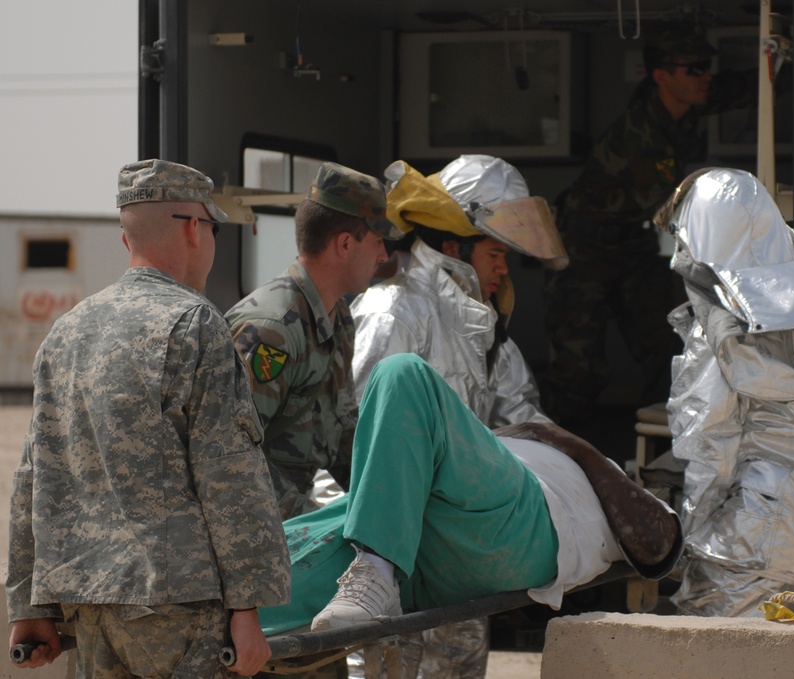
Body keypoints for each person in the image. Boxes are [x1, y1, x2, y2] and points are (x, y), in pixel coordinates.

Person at [5, 159, 291, 677]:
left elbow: (33, 477)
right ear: (191, 228)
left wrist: (28, 606)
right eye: (213, 226)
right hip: (178, 604)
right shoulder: (195, 323)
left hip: (89, 603)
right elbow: (229, 474)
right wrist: (249, 606)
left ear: (125, 240)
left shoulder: (65, 333)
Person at [257, 353, 683, 639]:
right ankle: (371, 573)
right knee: (259, 571)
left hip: (518, 522)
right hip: (419, 540)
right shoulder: (490, 451)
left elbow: (660, 546)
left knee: (401, 371)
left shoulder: (588, 475)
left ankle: (376, 570)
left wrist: (572, 445)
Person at [650, 167, 794, 616]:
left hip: (756, 526)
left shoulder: (721, 334)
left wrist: (681, 541)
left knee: (714, 650)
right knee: (769, 647)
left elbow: (708, 447)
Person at [541, 20, 752, 427]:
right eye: (694, 69)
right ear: (662, 76)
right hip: (584, 254)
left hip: (632, 250)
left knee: (666, 352)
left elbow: (736, 88)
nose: (705, 77)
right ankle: (553, 459)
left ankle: (665, 449)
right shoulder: (640, 137)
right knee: (578, 372)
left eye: (706, 67)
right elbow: (673, 213)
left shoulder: (684, 102)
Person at [226, 162, 404, 520]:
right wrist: (313, 521)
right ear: (344, 244)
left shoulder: (338, 319)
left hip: (287, 516)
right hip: (254, 525)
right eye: (377, 241)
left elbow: (342, 436)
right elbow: (233, 458)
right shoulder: (272, 329)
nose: (384, 255)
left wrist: (394, 503)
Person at [352, 154, 567, 428]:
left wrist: (575, 456)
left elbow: (519, 415)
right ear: (454, 249)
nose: (503, 269)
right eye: (494, 255)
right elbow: (364, 436)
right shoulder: (392, 315)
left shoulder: (484, 323)